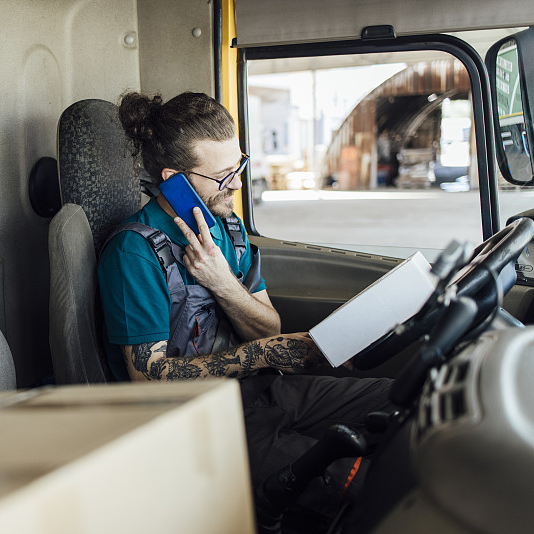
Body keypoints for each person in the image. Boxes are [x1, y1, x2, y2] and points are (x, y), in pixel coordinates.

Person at [97, 91, 394, 523]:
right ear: (173, 179)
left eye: (238, 166)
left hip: (263, 391)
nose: (237, 183)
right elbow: (148, 376)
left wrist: (222, 283)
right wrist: (265, 354)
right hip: (195, 421)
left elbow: (268, 326)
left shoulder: (227, 228)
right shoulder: (135, 252)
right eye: (223, 176)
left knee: (404, 401)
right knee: (366, 485)